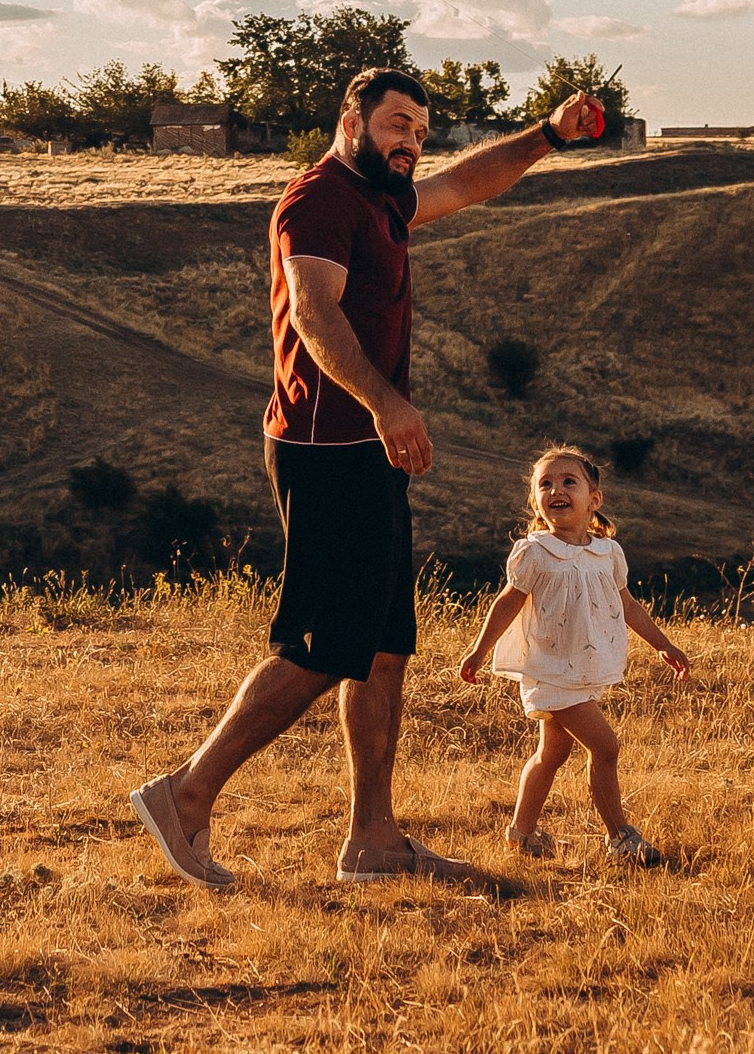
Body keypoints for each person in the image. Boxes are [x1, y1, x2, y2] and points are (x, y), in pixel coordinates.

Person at [129, 63, 605, 890]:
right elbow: (315, 315)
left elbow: (468, 182)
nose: (412, 141)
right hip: (327, 450)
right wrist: (387, 405)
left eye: (420, 129)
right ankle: (186, 794)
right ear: (351, 120)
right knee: (322, 648)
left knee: (383, 652)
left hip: (369, 451)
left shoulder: (385, 196)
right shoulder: (319, 200)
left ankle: (374, 842)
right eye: (396, 124)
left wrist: (551, 134)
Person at [457, 443, 689, 862]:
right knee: (606, 748)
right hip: (549, 669)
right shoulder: (534, 551)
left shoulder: (607, 553)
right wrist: (479, 651)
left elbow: (627, 605)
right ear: (536, 502)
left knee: (553, 752)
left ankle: (520, 835)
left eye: (568, 481)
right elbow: (507, 602)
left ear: (593, 499)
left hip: (583, 666)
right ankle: (620, 837)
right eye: (544, 484)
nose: (555, 490)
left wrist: (664, 645)